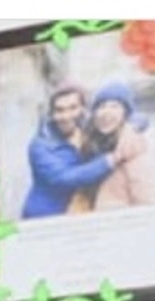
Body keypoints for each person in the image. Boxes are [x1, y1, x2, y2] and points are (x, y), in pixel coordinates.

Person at [21, 82, 118, 218]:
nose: (66, 116)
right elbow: (63, 179)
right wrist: (107, 162)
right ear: (52, 114)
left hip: (78, 214)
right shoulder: (40, 145)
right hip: (43, 219)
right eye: (59, 110)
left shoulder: (88, 134)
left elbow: (134, 121)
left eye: (73, 108)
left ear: (84, 109)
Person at [82, 82, 155, 210]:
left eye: (114, 106)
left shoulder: (131, 148)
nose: (106, 112)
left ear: (125, 114)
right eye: (101, 106)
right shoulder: (93, 144)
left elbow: (146, 199)